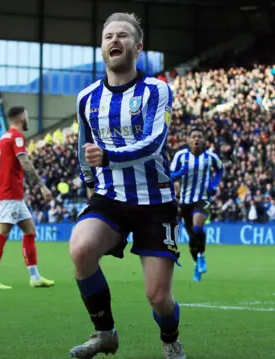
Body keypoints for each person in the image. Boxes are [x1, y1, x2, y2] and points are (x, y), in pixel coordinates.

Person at [68, 13, 186, 359]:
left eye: (122, 35)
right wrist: (90, 181)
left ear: (138, 47)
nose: (114, 41)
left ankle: (170, 337)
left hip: (155, 201)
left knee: (158, 297)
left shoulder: (157, 90)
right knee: (81, 249)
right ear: (102, 46)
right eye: (108, 36)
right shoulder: (87, 98)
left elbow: (154, 143)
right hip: (110, 197)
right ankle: (105, 333)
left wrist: (107, 157)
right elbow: (83, 147)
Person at [0, 106, 54, 289]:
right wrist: (42, 187)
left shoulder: (2, 139)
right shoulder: (16, 137)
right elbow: (25, 163)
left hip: (11, 194)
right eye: (27, 116)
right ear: (22, 118)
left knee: (30, 231)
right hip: (10, 193)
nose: (27, 119)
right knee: (1, 233)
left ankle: (35, 276)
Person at [170, 127, 223, 281]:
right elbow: (170, 175)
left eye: (199, 136)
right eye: (193, 136)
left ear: (204, 140)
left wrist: (214, 185)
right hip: (185, 201)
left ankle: (201, 257)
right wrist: (180, 173)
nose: (196, 139)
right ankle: (197, 260)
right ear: (188, 140)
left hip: (202, 198)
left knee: (198, 227)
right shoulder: (181, 156)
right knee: (193, 236)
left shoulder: (211, 157)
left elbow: (220, 170)